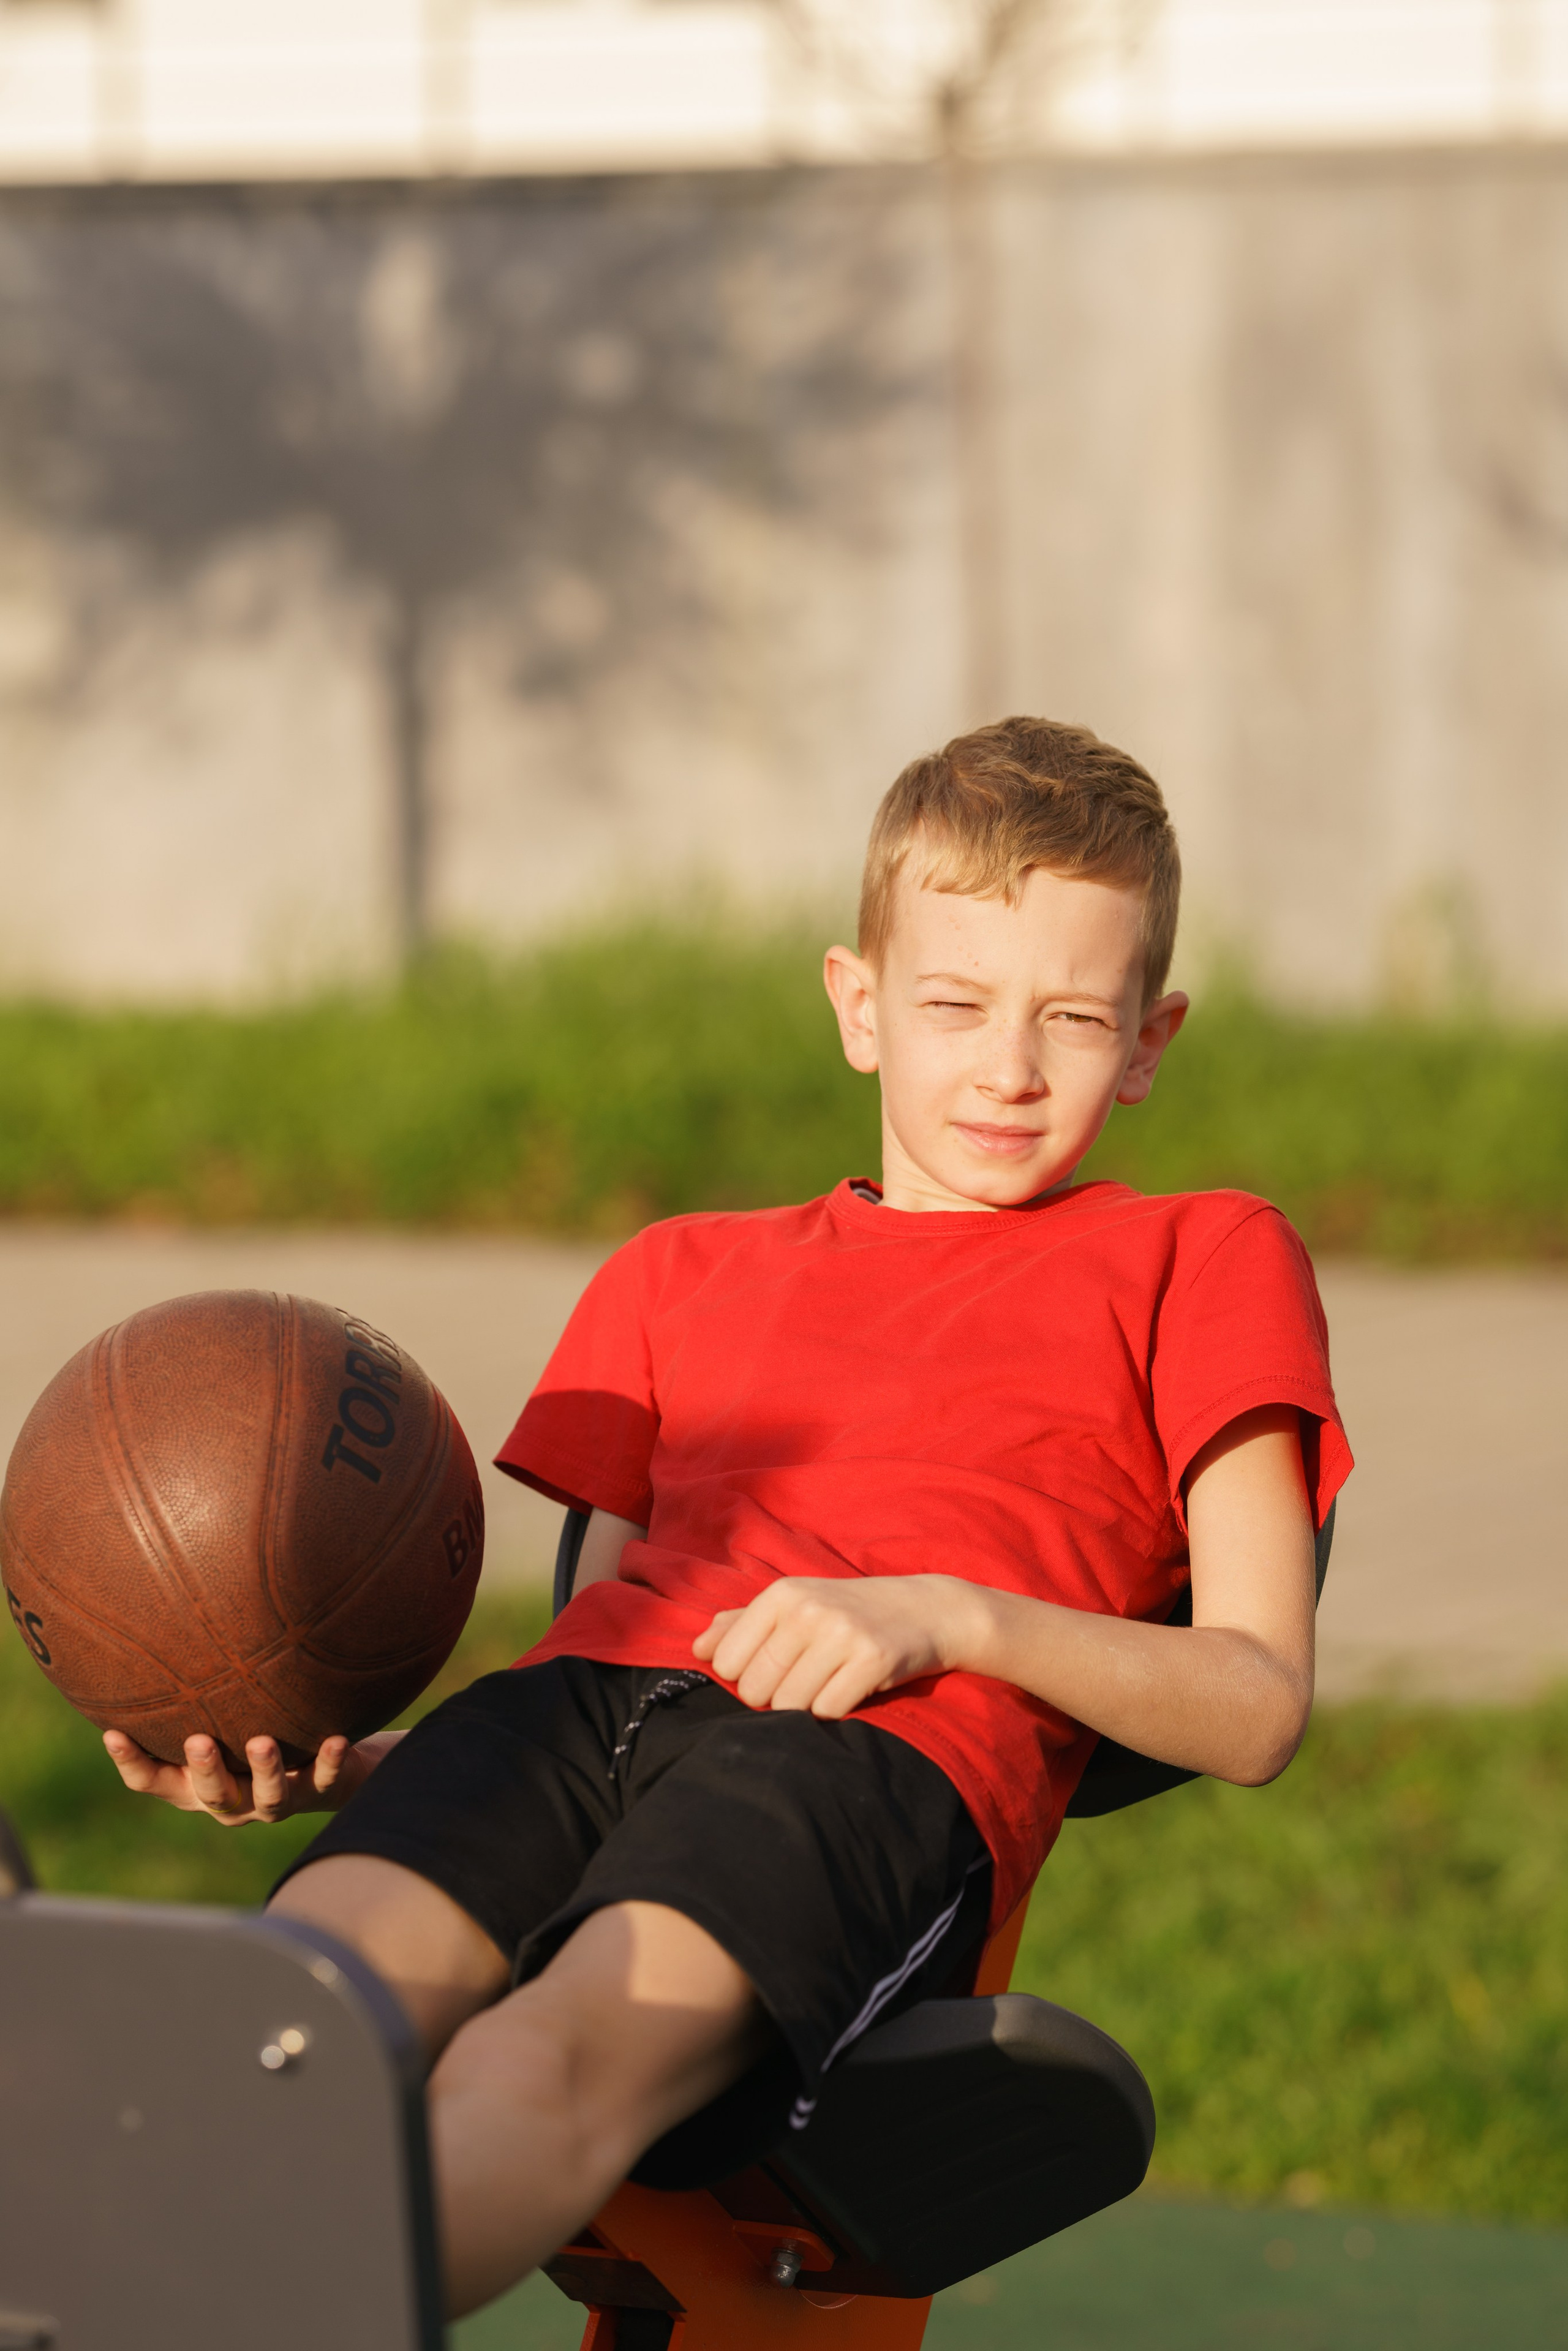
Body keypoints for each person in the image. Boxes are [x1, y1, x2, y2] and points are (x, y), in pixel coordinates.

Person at [106, 717, 1351, 2319]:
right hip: (586, 1712)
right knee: (292, 2027)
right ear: (860, 1005)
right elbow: (593, 1670)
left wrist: (946, 1617)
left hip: (870, 1757)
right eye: (956, 1006)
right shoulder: (677, 1273)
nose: (1010, 1067)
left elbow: (1255, 1700)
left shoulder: (1209, 1254)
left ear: (1153, 1036)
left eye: (1072, 1019)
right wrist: (324, 1764)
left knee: (545, 2059)